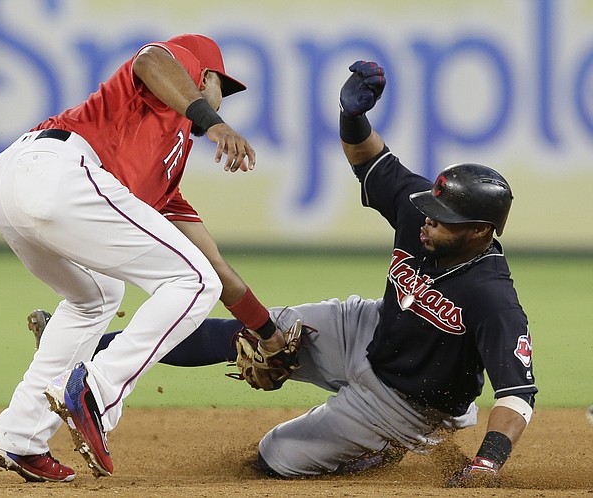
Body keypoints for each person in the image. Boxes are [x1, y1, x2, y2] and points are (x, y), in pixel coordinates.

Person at [44, 60, 537, 487]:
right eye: (430, 207)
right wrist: (353, 115)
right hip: (367, 329)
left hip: (410, 405)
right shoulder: (420, 214)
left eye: (444, 218)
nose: (428, 219)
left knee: (275, 457)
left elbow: (518, 396)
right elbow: (370, 160)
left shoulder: (491, 296)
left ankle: (376, 453)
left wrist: (487, 464)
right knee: (253, 333)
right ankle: (90, 347)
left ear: (480, 231)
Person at [0, 33, 291, 482]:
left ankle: (20, 436)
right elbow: (150, 59)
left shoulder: (166, 177)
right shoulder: (177, 67)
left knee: (103, 295)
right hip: (57, 167)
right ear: (203, 77)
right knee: (192, 282)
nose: (223, 100)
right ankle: (98, 391)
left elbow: (220, 272)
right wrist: (213, 122)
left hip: (15, 182)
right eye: (223, 86)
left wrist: (267, 333)